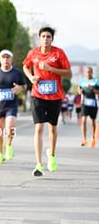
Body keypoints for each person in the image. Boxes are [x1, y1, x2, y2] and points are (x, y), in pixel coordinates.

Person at [22, 26, 72, 177]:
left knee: (52, 128)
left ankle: (52, 155)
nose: (45, 39)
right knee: (38, 128)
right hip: (37, 95)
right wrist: (31, 78)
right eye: (43, 36)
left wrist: (51, 68)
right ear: (39, 38)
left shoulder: (59, 53)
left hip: (54, 96)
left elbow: (69, 73)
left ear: (52, 39)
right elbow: (25, 65)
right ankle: (38, 164)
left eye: (48, 37)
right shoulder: (33, 53)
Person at [0, 49, 26, 164]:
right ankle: (0, 153)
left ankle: (8, 145)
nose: (6, 59)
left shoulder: (17, 73)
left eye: (8, 57)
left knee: (10, 128)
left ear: (11, 59)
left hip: (11, 106)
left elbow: (24, 86)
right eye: (3, 57)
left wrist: (20, 88)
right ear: (0, 60)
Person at [78, 66, 99, 148]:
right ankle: (84, 139)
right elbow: (79, 90)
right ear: (85, 73)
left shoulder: (96, 81)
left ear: (92, 72)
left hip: (93, 103)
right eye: (86, 72)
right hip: (84, 103)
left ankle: (93, 138)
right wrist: (80, 91)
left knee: (92, 122)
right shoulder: (82, 81)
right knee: (83, 120)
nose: (88, 73)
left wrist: (92, 88)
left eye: (89, 72)